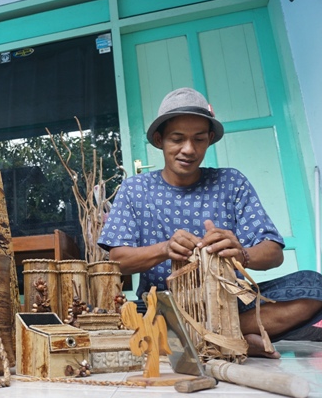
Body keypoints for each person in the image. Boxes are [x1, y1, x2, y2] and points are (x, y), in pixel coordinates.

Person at [97, 87, 322, 358]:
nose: (189, 150)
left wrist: (242, 254)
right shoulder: (135, 189)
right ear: (159, 140)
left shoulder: (231, 182)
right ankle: (226, 339)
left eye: (199, 139)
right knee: (131, 318)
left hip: (230, 304)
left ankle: (209, 336)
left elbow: (273, 253)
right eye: (177, 139)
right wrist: (164, 249)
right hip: (163, 306)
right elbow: (116, 260)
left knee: (314, 288)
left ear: (210, 139)